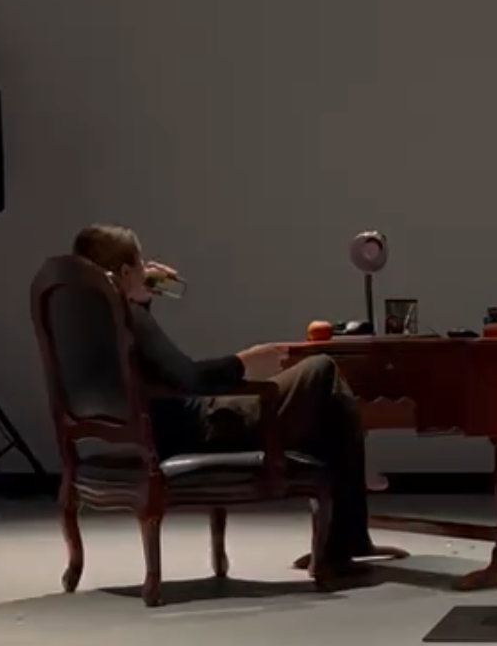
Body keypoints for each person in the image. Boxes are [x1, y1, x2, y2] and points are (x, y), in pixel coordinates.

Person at [72, 225, 373, 571]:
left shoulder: (92, 323)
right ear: (124, 272)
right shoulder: (129, 318)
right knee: (323, 370)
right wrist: (245, 361)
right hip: (205, 427)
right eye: (140, 264)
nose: (146, 269)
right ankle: (346, 535)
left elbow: (146, 366)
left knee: (330, 402)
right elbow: (190, 378)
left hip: (163, 429)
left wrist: (142, 294)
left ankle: (342, 537)